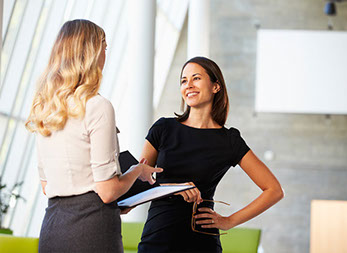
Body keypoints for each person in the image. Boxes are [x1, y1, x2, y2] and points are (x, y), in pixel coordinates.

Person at [25, 19, 162, 253]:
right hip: (91, 230)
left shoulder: (46, 108)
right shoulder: (98, 106)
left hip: (52, 229)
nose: (105, 55)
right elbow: (107, 192)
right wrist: (136, 171)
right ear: (91, 52)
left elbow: (47, 185)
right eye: (104, 47)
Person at [137, 56, 284, 253]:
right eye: (183, 80)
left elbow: (274, 190)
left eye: (196, 78)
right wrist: (172, 188)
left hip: (201, 242)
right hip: (157, 238)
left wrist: (229, 221)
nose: (188, 85)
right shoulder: (163, 129)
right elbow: (138, 184)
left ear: (216, 86)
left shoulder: (229, 140)